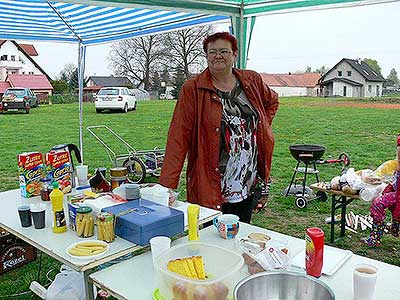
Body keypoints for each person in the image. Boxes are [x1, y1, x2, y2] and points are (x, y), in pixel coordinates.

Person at [159, 32, 279, 223]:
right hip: (210, 182)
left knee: (240, 234)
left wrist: (260, 129)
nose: (218, 55)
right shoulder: (193, 89)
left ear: (234, 54)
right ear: (206, 56)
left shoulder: (252, 81)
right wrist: (167, 185)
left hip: (246, 179)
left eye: (224, 51)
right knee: (210, 237)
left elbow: (272, 101)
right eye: (212, 51)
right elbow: (178, 137)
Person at [362, 134, 400, 246]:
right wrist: (389, 188)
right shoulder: (396, 165)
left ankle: (378, 236)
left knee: (379, 204)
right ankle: (388, 230)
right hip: (396, 193)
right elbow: (395, 182)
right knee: (379, 203)